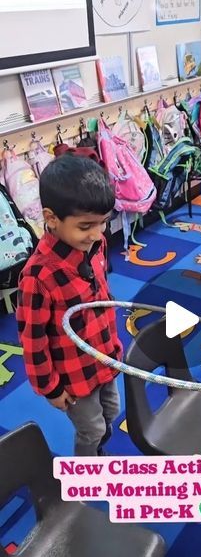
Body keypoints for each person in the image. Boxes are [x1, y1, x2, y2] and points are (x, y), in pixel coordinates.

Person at [16, 154, 122, 456]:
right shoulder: (39, 277)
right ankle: (85, 471)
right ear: (51, 218)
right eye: (86, 225)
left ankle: (98, 452)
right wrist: (51, 388)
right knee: (93, 428)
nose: (97, 233)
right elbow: (33, 341)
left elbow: (102, 293)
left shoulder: (95, 244)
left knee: (112, 412)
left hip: (105, 357)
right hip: (74, 375)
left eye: (103, 222)